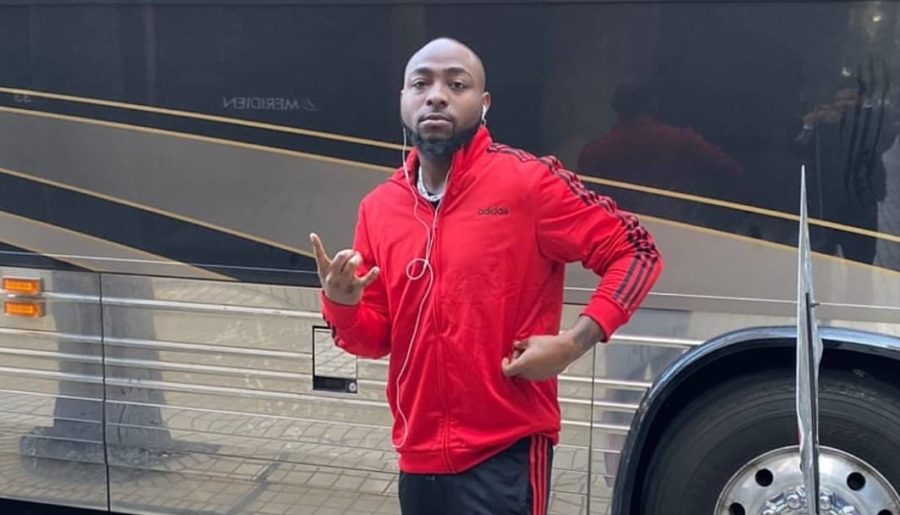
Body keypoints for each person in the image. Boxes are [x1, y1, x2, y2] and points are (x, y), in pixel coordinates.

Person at [310, 38, 662, 515]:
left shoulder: (528, 183)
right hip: (417, 458)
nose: (437, 96)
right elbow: (377, 340)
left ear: (484, 103)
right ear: (403, 100)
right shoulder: (379, 208)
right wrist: (343, 306)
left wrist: (572, 343)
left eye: (457, 84)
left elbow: (636, 250)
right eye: (421, 83)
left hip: (506, 453)